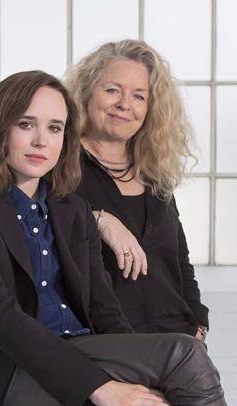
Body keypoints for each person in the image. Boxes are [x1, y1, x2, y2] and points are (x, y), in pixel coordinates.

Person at [0, 70, 237, 406]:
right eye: (27, 124)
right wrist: (99, 387)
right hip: (6, 384)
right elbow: (0, 318)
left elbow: (106, 312)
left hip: (85, 367)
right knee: (183, 353)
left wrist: (140, 371)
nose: (41, 140)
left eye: (55, 128)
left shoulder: (72, 212)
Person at [64, 40, 209, 340]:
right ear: (86, 93)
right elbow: (39, 224)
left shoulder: (154, 171)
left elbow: (178, 258)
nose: (124, 104)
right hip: (108, 343)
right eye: (112, 90)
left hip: (177, 339)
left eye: (139, 96)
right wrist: (98, 219)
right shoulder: (61, 164)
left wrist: (197, 320)